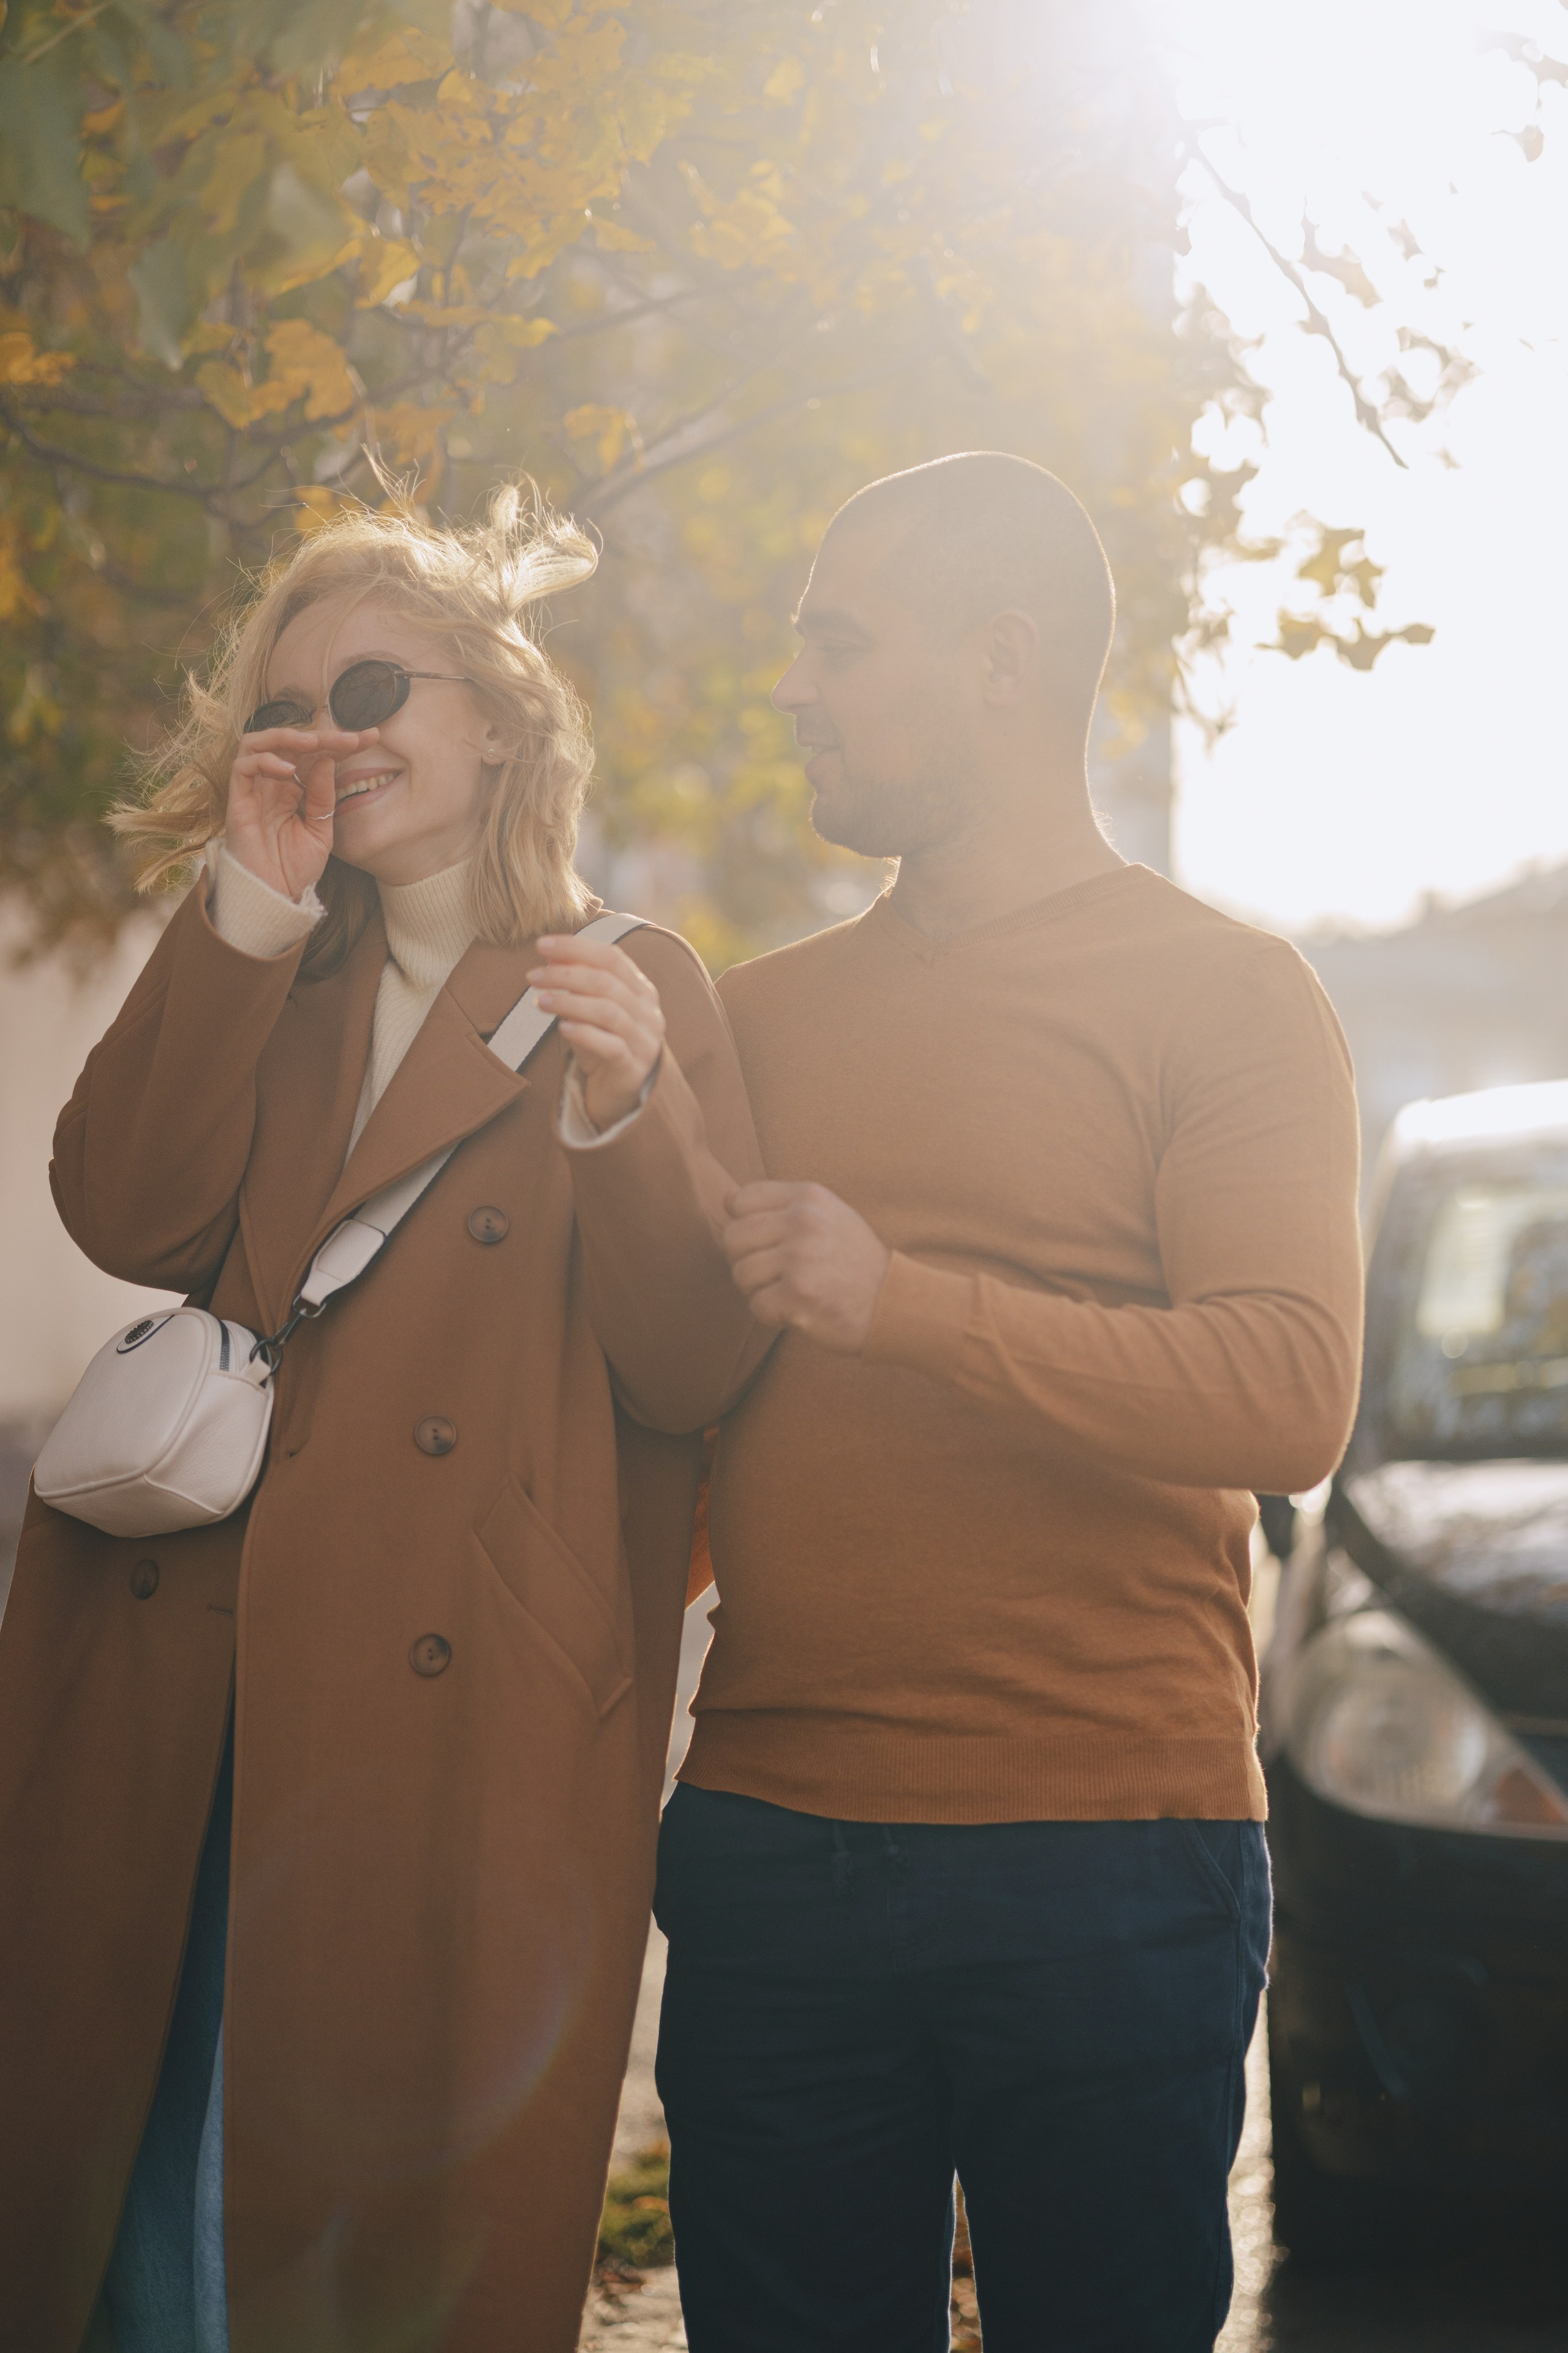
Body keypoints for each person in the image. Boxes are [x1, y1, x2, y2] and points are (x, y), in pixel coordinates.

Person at [0, 488, 764, 2353]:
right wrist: (246, 906)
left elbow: (693, 1367)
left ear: (497, 714)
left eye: (370, 685)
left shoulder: (630, 983)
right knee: (135, 2193)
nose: (331, 736)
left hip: (448, 1713)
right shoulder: (277, 958)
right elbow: (121, 1208)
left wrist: (627, 1114)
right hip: (184, 1672)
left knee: (366, 2232)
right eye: (290, 709)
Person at [654, 453, 1365, 2351]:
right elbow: (664, 1404)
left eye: (837, 643)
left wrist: (911, 1305)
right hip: (771, 1852)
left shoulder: (1228, 995)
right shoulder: (760, 1015)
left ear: (1000, 659)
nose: (792, 688)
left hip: (1105, 1857)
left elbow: (1289, 1387)